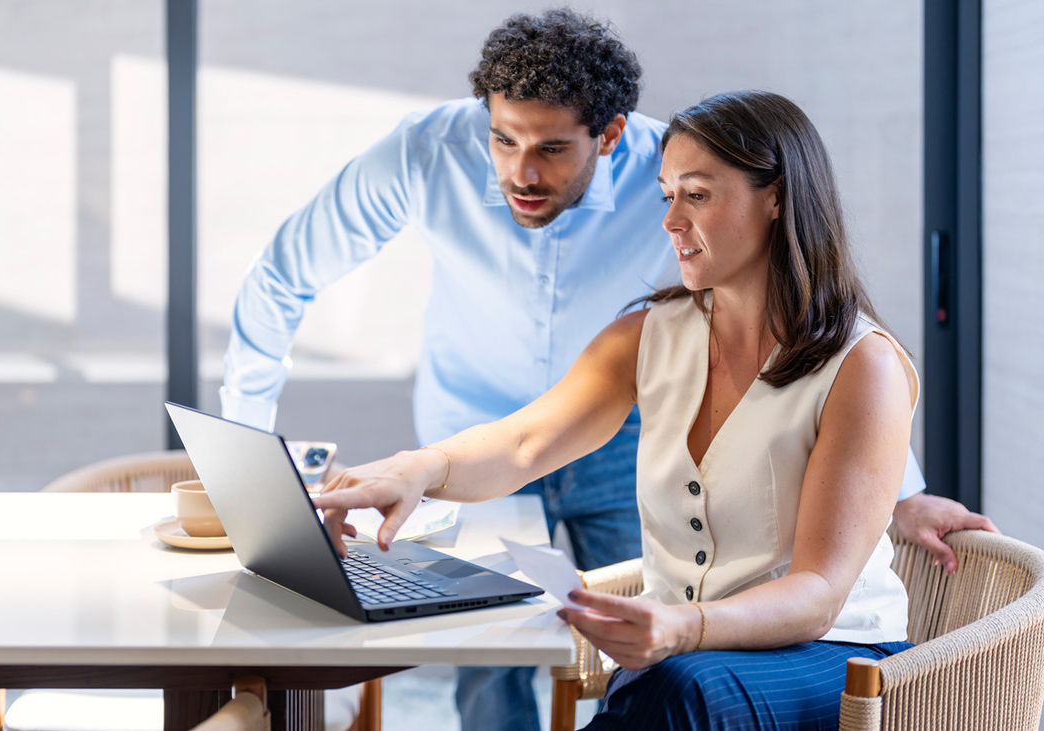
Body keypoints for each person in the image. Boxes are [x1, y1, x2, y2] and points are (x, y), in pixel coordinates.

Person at [220, 9, 994, 729]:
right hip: (675, 644)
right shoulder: (648, 332)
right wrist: (413, 468)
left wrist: (902, 493)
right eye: (667, 196)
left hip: (828, 655)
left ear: (777, 202)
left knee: (673, 685)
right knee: (605, 679)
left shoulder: (862, 364)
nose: (668, 222)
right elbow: (524, 445)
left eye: (696, 196)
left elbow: (823, 592)